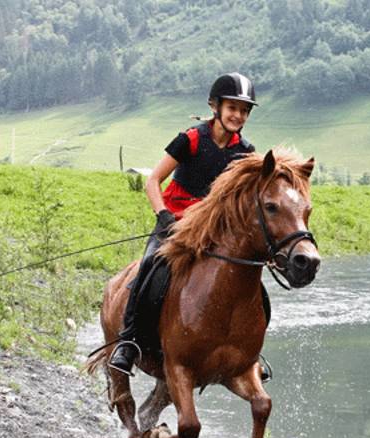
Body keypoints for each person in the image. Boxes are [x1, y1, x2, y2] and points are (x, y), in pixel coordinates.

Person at [109, 72, 258, 375]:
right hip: (175, 222)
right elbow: (153, 180)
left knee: (249, 276)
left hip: (215, 230)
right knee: (150, 264)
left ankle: (250, 349)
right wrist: (162, 215)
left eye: (244, 111)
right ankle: (128, 341)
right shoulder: (190, 139)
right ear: (215, 107)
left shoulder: (246, 151)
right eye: (232, 108)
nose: (238, 116)